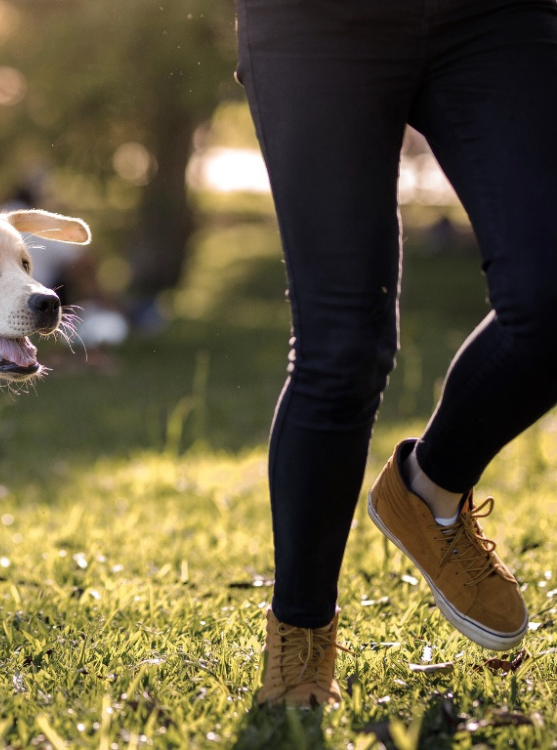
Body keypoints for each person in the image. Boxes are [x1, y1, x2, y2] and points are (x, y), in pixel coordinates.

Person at [235, 0, 557, 706]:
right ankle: (301, 632)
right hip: (316, 26)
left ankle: (429, 491)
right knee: (344, 346)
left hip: (494, 18)